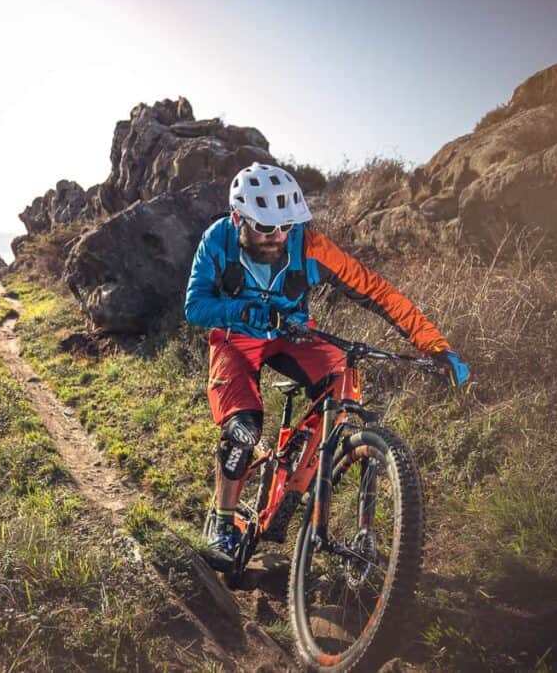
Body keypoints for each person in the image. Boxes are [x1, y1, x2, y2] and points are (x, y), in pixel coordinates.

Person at [184, 162, 470, 569]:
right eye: (266, 228)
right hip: (236, 338)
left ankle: (301, 466)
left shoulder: (311, 247)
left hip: (295, 335)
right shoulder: (218, 240)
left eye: (286, 226)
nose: (278, 237)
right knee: (242, 429)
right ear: (238, 218)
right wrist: (245, 312)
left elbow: (378, 291)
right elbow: (195, 306)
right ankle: (223, 521)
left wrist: (434, 344)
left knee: (343, 376)